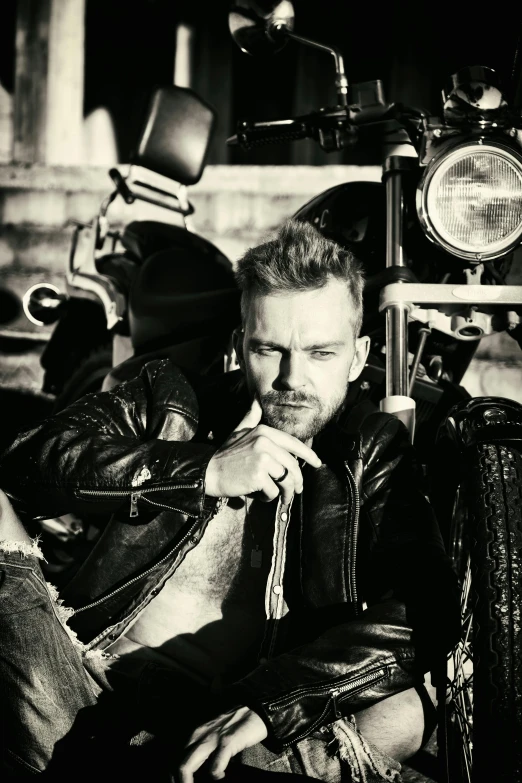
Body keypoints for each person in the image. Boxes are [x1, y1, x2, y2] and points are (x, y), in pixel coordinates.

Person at [0, 219, 459, 782]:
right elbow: (26, 459)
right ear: (242, 344)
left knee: (404, 711)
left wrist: (271, 705)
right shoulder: (172, 398)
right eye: (270, 349)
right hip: (82, 683)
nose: (293, 377)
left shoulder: (369, 450)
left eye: (320, 352)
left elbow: (425, 608)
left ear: (358, 356)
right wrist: (202, 471)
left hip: (224, 725)